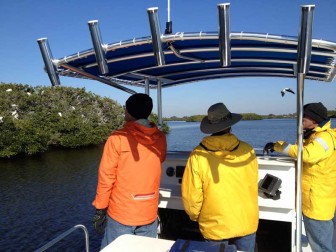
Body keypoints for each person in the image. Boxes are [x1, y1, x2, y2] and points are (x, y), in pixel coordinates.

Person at [92, 93, 167, 250]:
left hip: (122, 213)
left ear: (129, 111)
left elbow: (107, 176)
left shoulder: (117, 138)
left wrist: (100, 209)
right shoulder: (160, 137)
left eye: (125, 108)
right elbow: (160, 159)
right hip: (148, 212)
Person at [181, 102, 259, 252]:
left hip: (214, 224)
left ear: (210, 128)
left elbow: (191, 197)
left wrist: (198, 216)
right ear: (230, 125)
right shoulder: (247, 150)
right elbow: (253, 181)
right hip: (246, 220)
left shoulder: (198, 155)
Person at [263, 102, 336, 252]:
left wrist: (278, 146)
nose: (300, 120)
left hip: (317, 203)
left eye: (304, 118)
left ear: (315, 120)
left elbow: (307, 154)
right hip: (317, 198)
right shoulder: (315, 135)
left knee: (321, 245)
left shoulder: (324, 139)